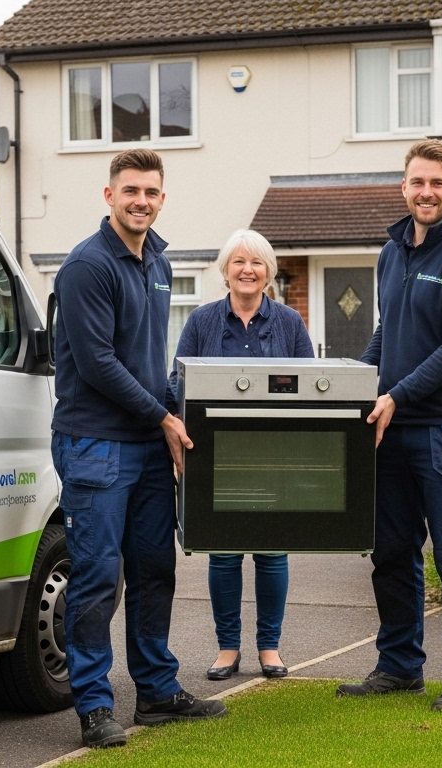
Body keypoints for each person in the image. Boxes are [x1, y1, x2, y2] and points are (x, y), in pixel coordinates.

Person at [51, 149, 227, 749]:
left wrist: (172, 416)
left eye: (151, 192)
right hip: (95, 443)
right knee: (99, 577)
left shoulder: (159, 260)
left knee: (155, 570)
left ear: (162, 197)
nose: (140, 201)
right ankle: (96, 704)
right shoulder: (85, 267)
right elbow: (99, 364)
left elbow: (150, 360)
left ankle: (155, 691)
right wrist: (162, 416)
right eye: (130, 191)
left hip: (148, 445)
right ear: (108, 195)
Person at [337, 139, 442, 712]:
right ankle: (400, 666)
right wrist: (360, 385)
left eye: (437, 182)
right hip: (393, 432)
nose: (426, 192)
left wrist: (396, 395)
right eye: (417, 182)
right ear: (403, 187)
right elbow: (388, 332)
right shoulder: (392, 253)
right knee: (391, 555)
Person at [168, 229, 313, 682]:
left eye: (256, 263)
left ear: (268, 271)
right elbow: (178, 385)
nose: (247, 270)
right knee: (225, 554)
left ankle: (269, 647)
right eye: (238, 262)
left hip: (275, 458)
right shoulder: (202, 322)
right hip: (217, 457)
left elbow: (309, 387)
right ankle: (227, 648)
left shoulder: (289, 322)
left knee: (272, 553)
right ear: (225, 270)